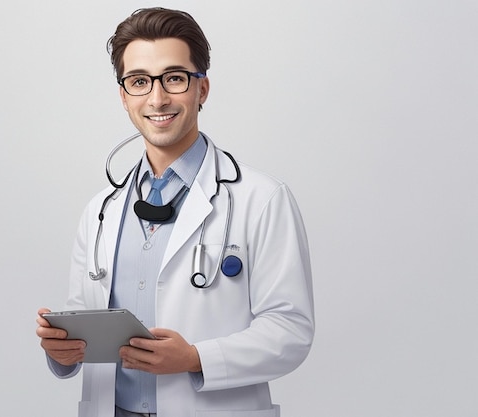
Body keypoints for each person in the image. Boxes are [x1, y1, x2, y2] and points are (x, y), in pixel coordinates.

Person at [36, 7, 314, 417]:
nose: (157, 98)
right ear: (124, 95)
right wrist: (64, 351)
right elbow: (86, 323)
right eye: (139, 81)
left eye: (174, 78)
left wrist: (196, 358)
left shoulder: (262, 199)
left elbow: (291, 332)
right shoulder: (101, 210)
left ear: (201, 89)